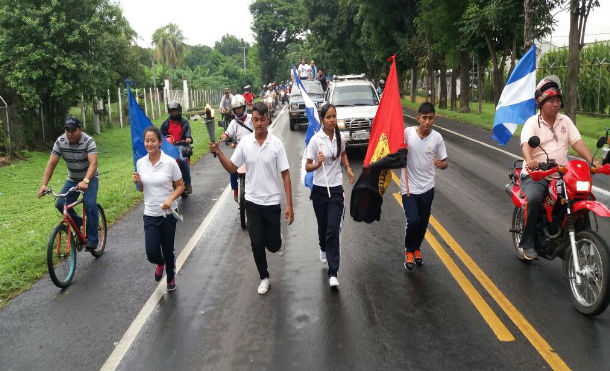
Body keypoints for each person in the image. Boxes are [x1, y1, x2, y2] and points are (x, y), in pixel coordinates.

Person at [209, 102, 294, 295]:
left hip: (272, 202)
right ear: (252, 119)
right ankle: (264, 277)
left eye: (262, 120)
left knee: (272, 245)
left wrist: (289, 204)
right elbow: (233, 168)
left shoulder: (277, 145)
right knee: (256, 243)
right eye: (255, 120)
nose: (259, 124)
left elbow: (286, 174)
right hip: (252, 202)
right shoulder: (246, 143)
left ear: (267, 120)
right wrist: (220, 152)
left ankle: (277, 240)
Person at [519, 75, 598, 260]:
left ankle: (577, 238)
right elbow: (525, 144)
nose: (556, 104)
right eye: (551, 101)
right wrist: (530, 160)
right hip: (537, 175)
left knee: (581, 195)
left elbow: (577, 142)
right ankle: (527, 244)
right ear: (541, 103)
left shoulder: (565, 121)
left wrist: (591, 161)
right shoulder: (532, 123)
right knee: (535, 198)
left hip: (561, 175)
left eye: (558, 100)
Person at [305, 104, 355, 288]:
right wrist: (317, 164)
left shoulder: (340, 137)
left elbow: (343, 153)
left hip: (335, 189)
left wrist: (348, 168)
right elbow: (307, 167)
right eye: (329, 117)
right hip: (319, 190)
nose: (333, 120)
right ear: (322, 119)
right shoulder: (316, 141)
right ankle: (322, 247)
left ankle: (333, 273)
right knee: (323, 228)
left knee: (333, 230)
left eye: (334, 116)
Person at [132, 126, 185, 292]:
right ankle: (159, 262)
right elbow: (142, 190)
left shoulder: (169, 162)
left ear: (159, 142)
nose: (149, 144)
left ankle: (170, 278)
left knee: (168, 249)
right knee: (152, 252)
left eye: (153, 140)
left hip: (168, 214)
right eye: (147, 141)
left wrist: (169, 200)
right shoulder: (140, 163)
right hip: (150, 214)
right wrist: (138, 182)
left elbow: (181, 186)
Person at [38, 116, 99, 250]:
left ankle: (93, 239)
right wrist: (44, 184)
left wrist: (86, 181)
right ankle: (78, 222)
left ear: (80, 130)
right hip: (72, 179)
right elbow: (52, 163)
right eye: (67, 130)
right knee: (60, 204)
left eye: (73, 130)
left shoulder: (88, 141)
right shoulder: (60, 141)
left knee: (90, 205)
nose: (70, 133)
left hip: (90, 178)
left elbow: (93, 164)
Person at [400, 102, 448, 270]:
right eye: (424, 118)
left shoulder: (437, 138)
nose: (427, 122)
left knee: (423, 223)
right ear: (418, 118)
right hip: (408, 187)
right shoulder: (407, 133)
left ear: (434, 119)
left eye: (431, 118)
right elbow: (394, 145)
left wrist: (440, 164)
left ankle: (417, 248)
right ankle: (409, 250)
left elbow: (444, 162)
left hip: (427, 188)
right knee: (413, 220)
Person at [220, 94, 253, 202]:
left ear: (244, 107)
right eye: (236, 109)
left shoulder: (251, 118)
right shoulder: (234, 122)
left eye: (240, 108)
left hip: (253, 146)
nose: (238, 111)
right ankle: (235, 190)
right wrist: (224, 136)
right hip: (240, 148)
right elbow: (228, 132)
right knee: (232, 167)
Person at [160, 101, 193, 194]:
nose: (174, 113)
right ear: (169, 112)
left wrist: (188, 138)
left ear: (180, 111)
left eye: (176, 111)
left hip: (181, 146)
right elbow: (161, 135)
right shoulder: (165, 124)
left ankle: (187, 183)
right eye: (172, 111)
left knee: (182, 160)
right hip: (169, 147)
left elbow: (188, 132)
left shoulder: (184, 122)